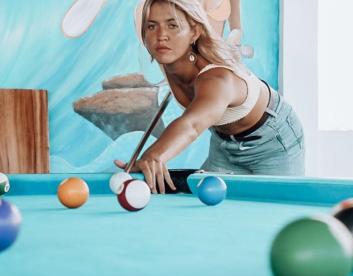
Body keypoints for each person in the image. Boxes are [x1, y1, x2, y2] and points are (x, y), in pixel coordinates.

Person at [115, 0, 304, 193]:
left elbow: (192, 125)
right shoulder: (168, 57)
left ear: (194, 32)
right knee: (208, 207)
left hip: (273, 140)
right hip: (225, 142)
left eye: (173, 26)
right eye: (152, 26)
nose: (162, 36)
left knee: (274, 209)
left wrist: (154, 155)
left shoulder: (217, 78)